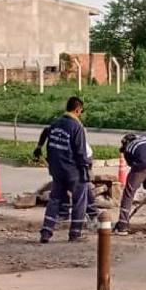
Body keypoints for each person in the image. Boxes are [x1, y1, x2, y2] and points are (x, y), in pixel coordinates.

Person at [39, 96, 91, 243]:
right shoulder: (77, 127)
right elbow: (80, 152)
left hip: (56, 169)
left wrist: (38, 147)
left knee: (54, 200)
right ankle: (75, 233)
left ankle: (46, 232)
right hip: (72, 170)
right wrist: (85, 170)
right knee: (80, 200)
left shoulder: (55, 123)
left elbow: (46, 136)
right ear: (78, 110)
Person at [34, 125, 98, 223]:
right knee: (61, 182)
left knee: (82, 184)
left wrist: (82, 169)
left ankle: (92, 213)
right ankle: (64, 213)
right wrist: (39, 147)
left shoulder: (73, 132)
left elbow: (81, 154)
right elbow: (46, 130)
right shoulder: (56, 129)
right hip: (65, 159)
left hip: (82, 157)